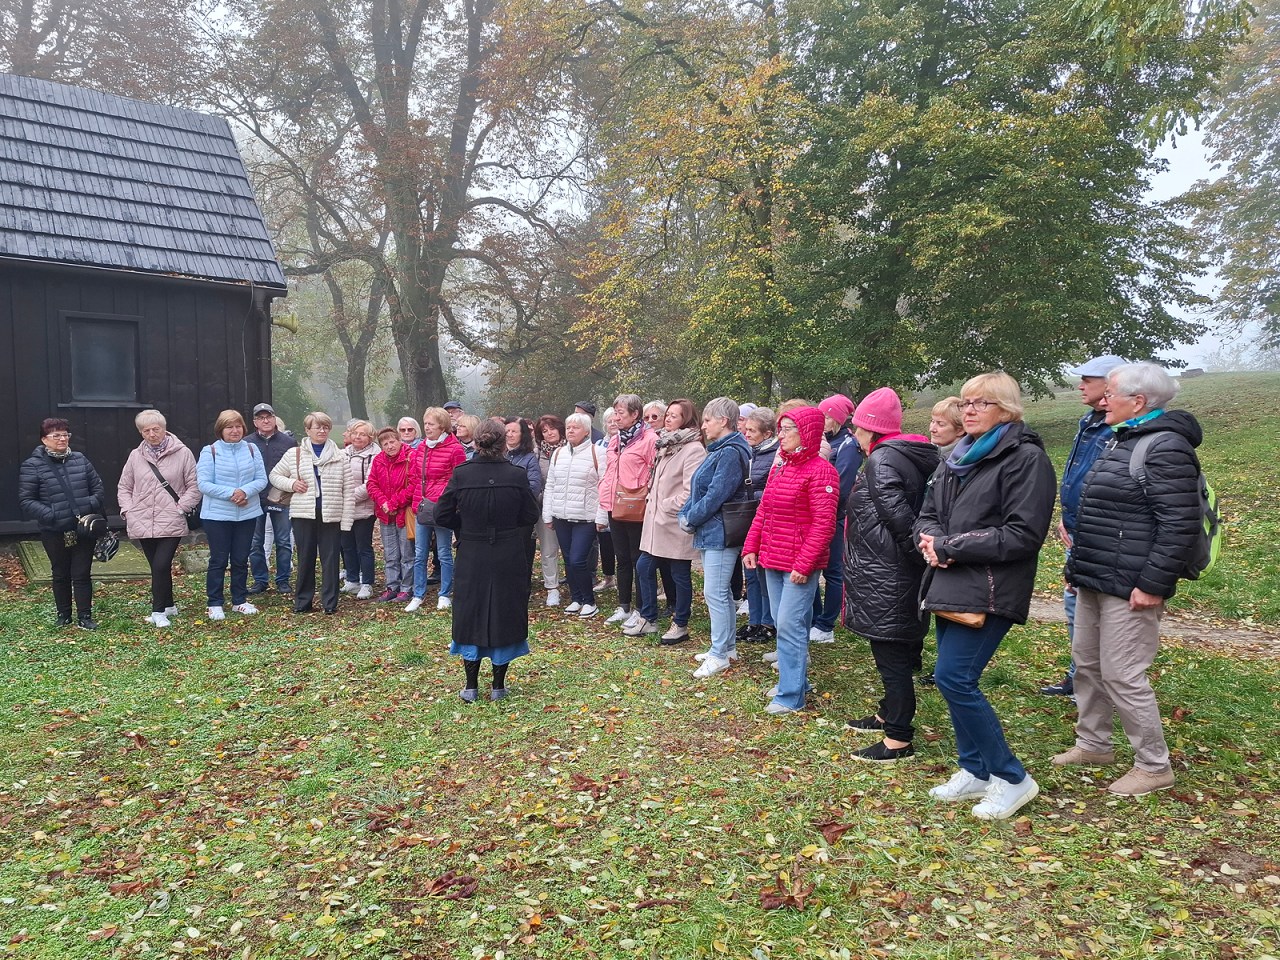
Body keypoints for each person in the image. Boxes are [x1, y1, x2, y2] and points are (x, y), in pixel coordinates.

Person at [914, 372, 1055, 820]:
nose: (969, 409)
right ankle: (975, 769)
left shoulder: (1025, 459)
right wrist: (930, 541)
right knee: (949, 677)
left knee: (956, 678)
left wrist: (951, 546)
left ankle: (1012, 777)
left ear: (1007, 410)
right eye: (966, 402)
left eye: (982, 402)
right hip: (949, 580)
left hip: (991, 585)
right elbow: (928, 513)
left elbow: (1023, 533)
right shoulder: (957, 457)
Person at [1059, 363, 1202, 797]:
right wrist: (1077, 569)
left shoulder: (1165, 446)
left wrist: (1153, 584)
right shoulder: (1122, 438)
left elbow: (1179, 524)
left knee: (1122, 673)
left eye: (1112, 393)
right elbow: (1100, 514)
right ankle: (1093, 744)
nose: (1103, 400)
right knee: (1087, 663)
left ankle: (1154, 766)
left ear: (1138, 401)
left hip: (1132, 583)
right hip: (1096, 575)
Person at [840, 389, 939, 761]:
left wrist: (916, 558)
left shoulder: (882, 459)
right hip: (893, 570)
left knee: (891, 654)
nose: (853, 434)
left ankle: (898, 737)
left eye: (857, 427)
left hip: (888, 573)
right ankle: (887, 713)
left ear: (870, 428)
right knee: (895, 647)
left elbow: (899, 519)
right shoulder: (904, 454)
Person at [742, 408, 839, 714]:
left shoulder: (822, 471)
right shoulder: (781, 466)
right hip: (773, 557)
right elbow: (764, 510)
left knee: (789, 625)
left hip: (798, 565)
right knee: (782, 622)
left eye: (788, 430)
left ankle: (791, 695)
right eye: (780, 429)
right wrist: (751, 545)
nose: (781, 435)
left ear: (806, 434)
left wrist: (804, 564)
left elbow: (824, 525)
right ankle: (795, 680)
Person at [436, 419, 540, 702]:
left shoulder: (462, 474)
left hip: (472, 552)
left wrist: (465, 525)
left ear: (477, 442)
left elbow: (442, 514)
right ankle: (498, 687)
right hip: (507, 552)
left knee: (471, 610)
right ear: (503, 443)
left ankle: (471, 687)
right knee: (503, 610)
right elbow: (530, 514)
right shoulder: (516, 475)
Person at [1042, 355, 1128, 697]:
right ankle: (1081, 677)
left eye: (1088, 380)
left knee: (1090, 607)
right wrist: (1067, 517)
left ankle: (1092, 683)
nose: (1080, 386)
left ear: (1110, 384)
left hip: (1101, 534)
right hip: (1077, 529)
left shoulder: (1118, 427)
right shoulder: (1089, 422)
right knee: (1076, 606)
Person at [680, 396, 751, 675]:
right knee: (719, 593)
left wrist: (690, 517)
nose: (703, 425)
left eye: (708, 420)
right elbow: (701, 489)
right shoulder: (720, 449)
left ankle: (720, 653)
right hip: (712, 529)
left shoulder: (730, 452)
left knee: (716, 593)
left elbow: (716, 495)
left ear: (723, 421)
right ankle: (726, 648)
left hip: (720, 531)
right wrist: (688, 513)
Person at [629, 399, 706, 642]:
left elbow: (691, 491)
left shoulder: (693, 449)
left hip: (674, 523)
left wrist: (665, 505)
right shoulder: (666, 443)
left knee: (679, 574)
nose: (669, 418)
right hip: (656, 522)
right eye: (668, 414)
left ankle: (680, 623)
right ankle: (649, 618)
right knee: (644, 566)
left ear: (686, 419)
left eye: (675, 415)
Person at [19, 417, 106, 629]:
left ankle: (85, 616)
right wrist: (52, 515)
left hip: (82, 527)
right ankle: (64, 615)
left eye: (65, 434)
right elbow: (27, 500)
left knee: (82, 573)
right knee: (60, 573)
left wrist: (87, 505)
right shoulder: (32, 465)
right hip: (54, 530)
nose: (62, 439)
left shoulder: (80, 460)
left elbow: (98, 489)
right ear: (44, 439)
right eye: (56, 435)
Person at [117, 409, 200, 628]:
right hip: (142, 519)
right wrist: (128, 510)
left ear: (164, 429)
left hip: (171, 518)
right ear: (140, 432)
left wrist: (181, 508)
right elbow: (124, 486)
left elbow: (194, 486)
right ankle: (170, 604)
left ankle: (158, 611)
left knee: (161, 565)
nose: (152, 434)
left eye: (156, 429)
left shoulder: (183, 453)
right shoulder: (135, 456)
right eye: (146, 431)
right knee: (157, 566)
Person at [269, 411, 354, 615]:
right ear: (308, 430)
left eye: (326, 427)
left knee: (330, 560)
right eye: (318, 427)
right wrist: (292, 484)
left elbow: (348, 491)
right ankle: (303, 601)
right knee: (305, 557)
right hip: (303, 514)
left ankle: (330, 602)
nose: (322, 431)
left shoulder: (340, 456)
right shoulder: (295, 454)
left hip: (331, 514)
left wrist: (346, 522)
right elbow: (275, 475)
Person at [197, 410, 269, 620]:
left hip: (246, 514)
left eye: (238, 426)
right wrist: (232, 494)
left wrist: (245, 491)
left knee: (240, 559)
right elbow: (203, 483)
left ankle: (239, 600)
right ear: (221, 429)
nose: (234, 431)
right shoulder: (210, 451)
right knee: (218, 560)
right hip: (217, 516)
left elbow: (261, 479)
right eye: (229, 427)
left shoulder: (252, 449)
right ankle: (215, 602)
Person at [598, 394, 657, 627]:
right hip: (614, 504)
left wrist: (644, 493)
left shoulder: (650, 439)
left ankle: (642, 609)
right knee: (621, 557)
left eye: (621, 413)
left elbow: (655, 470)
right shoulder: (616, 439)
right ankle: (624, 606)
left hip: (635, 504)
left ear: (635, 414)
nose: (616, 417)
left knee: (637, 558)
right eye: (615, 412)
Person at [810, 394, 863, 644]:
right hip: (816, 514)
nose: (822, 421)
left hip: (835, 516)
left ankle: (826, 624)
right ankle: (814, 617)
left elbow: (841, 485)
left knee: (833, 571)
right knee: (811, 566)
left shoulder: (848, 446)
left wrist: (822, 505)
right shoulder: (823, 441)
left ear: (838, 419)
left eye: (827, 416)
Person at [407, 407, 467, 612]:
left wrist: (447, 503)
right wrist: (417, 502)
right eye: (425, 423)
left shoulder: (455, 449)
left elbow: (458, 479)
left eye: (431, 424)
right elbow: (415, 477)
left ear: (442, 426)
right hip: (422, 507)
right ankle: (418, 594)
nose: (427, 427)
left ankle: (444, 594)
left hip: (442, 508)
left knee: (443, 552)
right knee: (420, 553)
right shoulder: (421, 448)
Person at [543, 413, 603, 617]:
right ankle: (576, 598)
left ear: (586, 431)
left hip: (586, 517)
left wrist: (602, 517)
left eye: (575, 427)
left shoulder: (597, 452)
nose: (570, 430)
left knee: (578, 560)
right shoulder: (558, 453)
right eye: (568, 427)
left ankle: (589, 601)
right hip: (561, 516)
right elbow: (551, 485)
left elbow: (604, 486)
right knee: (568, 559)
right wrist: (548, 514)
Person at [246, 402, 297, 596]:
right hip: (255, 498)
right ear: (255, 422)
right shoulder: (247, 443)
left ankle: (283, 580)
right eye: (261, 418)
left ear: (274, 419)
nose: (265, 421)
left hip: (281, 498)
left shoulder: (288, 442)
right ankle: (260, 580)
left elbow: (294, 469)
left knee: (283, 541)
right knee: (255, 542)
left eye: (268, 417)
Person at [740, 407, 779, 648]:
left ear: (767, 434)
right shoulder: (748, 452)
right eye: (746, 430)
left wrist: (749, 495)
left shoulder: (775, 455)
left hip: (766, 521)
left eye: (752, 431)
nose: (747, 434)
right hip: (749, 520)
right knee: (751, 573)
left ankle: (768, 622)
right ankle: (754, 620)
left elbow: (771, 490)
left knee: (764, 575)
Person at [367, 426, 415, 602]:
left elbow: (414, 485)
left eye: (392, 442)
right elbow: (371, 484)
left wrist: (394, 503)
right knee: (390, 554)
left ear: (399, 441)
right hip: (386, 514)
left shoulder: (410, 457)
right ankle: (392, 586)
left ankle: (407, 588)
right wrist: (384, 503)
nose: (389, 446)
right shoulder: (379, 460)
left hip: (403, 513)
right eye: (385, 444)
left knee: (407, 554)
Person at [340, 420, 378, 599]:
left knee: (363, 547)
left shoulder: (375, 454)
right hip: (344, 509)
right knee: (347, 545)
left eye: (362, 434)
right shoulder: (342, 454)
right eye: (355, 433)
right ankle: (352, 579)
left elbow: (370, 484)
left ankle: (367, 583)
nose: (358, 437)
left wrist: (348, 498)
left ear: (370, 437)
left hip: (364, 509)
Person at [534, 415, 566, 605]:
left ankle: (578, 585)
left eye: (552, 428)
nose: (549, 433)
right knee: (548, 549)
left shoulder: (572, 448)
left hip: (569, 506)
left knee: (573, 551)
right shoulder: (537, 453)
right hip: (544, 506)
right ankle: (552, 587)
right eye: (544, 431)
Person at [592, 408, 618, 595]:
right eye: (609, 421)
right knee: (605, 540)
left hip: (622, 497)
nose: (613, 424)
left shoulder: (629, 442)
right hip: (603, 496)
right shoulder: (599, 445)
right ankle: (609, 577)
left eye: (616, 420)